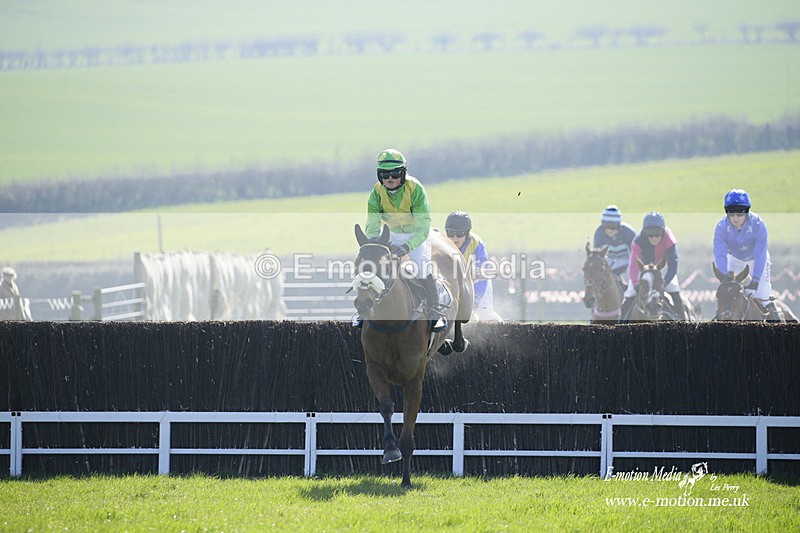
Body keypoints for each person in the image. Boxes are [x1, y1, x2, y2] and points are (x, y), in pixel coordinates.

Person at [365, 148, 446, 330]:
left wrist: (408, 246)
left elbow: (424, 225)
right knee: (370, 264)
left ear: (403, 173)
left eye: (394, 173)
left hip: (416, 234)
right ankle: (364, 311)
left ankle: (435, 312)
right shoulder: (376, 192)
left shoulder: (415, 189)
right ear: (379, 176)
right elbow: (372, 223)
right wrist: (373, 243)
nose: (390, 178)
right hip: (391, 234)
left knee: (420, 267)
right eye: (385, 174)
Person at [713, 188, 781, 320]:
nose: (735, 218)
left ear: (747, 211)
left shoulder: (758, 224)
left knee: (764, 297)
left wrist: (755, 280)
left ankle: (778, 326)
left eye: (740, 213)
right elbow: (720, 254)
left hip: (757, 259)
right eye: (731, 214)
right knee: (726, 294)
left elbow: (760, 254)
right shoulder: (721, 227)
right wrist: (724, 275)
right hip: (734, 259)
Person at [620, 212, 686, 320]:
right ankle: (620, 326)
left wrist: (664, 282)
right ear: (645, 233)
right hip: (643, 272)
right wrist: (636, 284)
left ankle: (685, 324)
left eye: (657, 234)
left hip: (663, 271)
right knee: (629, 294)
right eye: (650, 235)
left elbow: (673, 265)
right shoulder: (638, 241)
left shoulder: (669, 238)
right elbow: (633, 266)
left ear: (663, 231)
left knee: (674, 289)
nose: (654, 238)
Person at [445, 211, 502, 322]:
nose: (454, 238)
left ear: (467, 233)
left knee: (483, 315)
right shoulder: (443, 244)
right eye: (450, 233)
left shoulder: (476, 244)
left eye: (459, 233)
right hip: (454, 283)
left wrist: (475, 301)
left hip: (476, 281)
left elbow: (483, 276)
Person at [592, 205, 636, 288]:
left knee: (632, 281)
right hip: (609, 260)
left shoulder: (629, 233)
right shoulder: (599, 233)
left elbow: (634, 257)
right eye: (606, 227)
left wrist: (624, 268)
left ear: (618, 225)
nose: (609, 230)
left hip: (627, 260)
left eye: (613, 227)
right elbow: (596, 257)